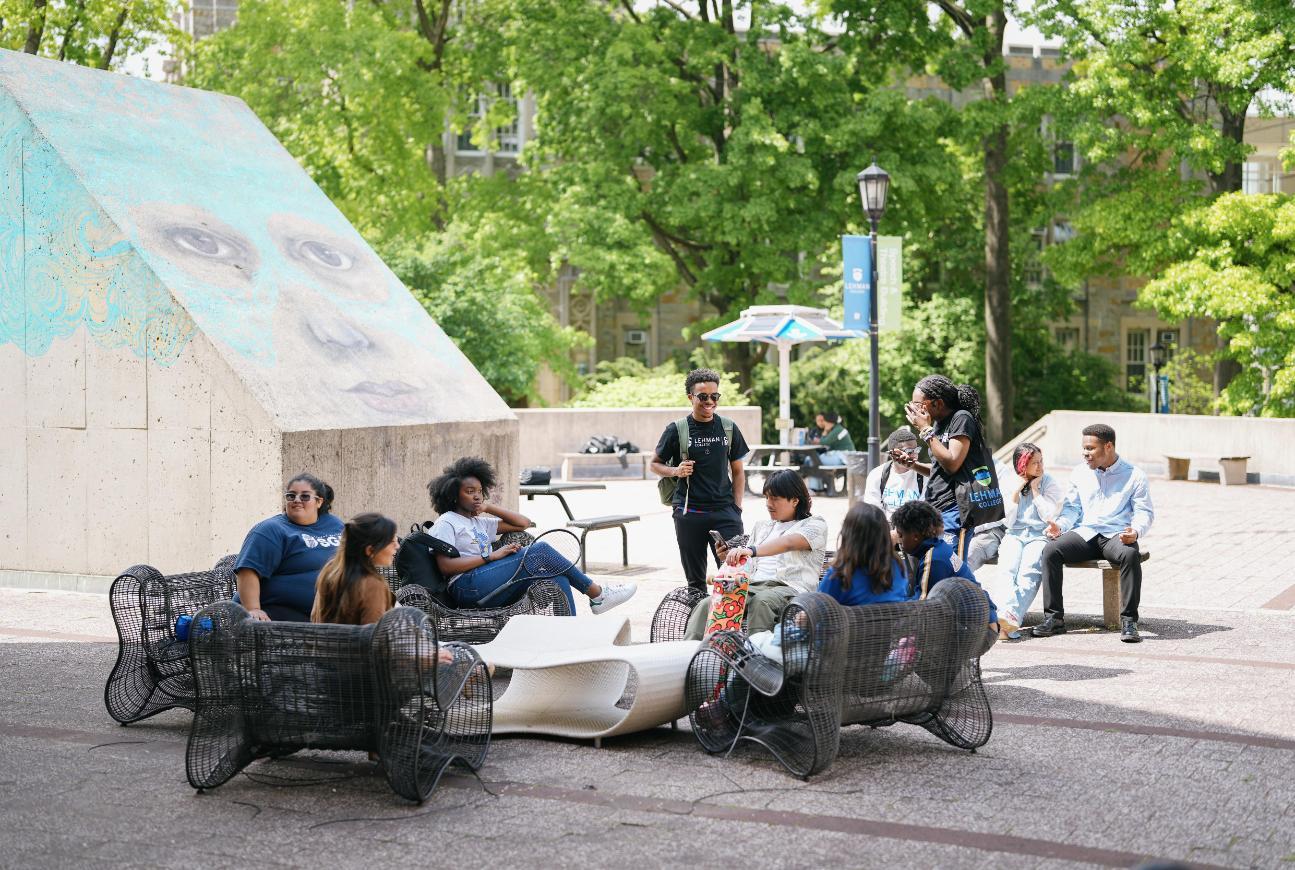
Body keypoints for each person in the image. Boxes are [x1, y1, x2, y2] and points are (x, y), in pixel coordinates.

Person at [427, 457, 636, 615]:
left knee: (557, 575)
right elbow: (445, 566)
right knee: (540, 550)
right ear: (453, 495)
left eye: (480, 491)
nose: (476, 495)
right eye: (469, 491)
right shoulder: (446, 522)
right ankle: (597, 594)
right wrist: (491, 557)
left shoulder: (479, 522)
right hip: (467, 587)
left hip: (490, 583)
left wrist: (489, 507)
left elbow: (523, 523)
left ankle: (572, 634)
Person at [1032, 424, 1154, 643]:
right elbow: (1072, 509)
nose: (1085, 453)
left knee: (1129, 555)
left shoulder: (1134, 475)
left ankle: (1128, 621)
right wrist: (1060, 526)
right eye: (1084, 448)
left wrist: (1135, 532)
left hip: (1115, 536)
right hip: (1086, 534)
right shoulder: (1080, 472)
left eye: (1090, 448)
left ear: (1108, 447)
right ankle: (1055, 619)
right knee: (1051, 550)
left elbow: (1144, 512)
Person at [683, 470, 828, 640]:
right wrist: (731, 558)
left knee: (762, 602)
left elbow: (789, 543)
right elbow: (749, 566)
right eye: (766, 497)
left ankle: (756, 660)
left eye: (775, 498)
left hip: (791, 587)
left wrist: (751, 550)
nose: (768, 503)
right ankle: (690, 654)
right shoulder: (762, 527)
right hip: (753, 585)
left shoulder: (815, 525)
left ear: (795, 500)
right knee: (709, 603)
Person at [650, 368, 750, 592]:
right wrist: (676, 471)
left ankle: (730, 627)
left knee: (734, 578)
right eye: (703, 396)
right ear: (690, 397)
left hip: (726, 513)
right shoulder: (677, 429)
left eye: (714, 396)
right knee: (695, 583)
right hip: (689, 513)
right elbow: (654, 463)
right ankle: (698, 625)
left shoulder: (728, 427)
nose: (709, 401)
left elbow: (738, 471)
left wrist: (737, 507)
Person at [904, 375, 1005, 564]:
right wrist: (912, 464)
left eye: (918, 403)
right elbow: (940, 469)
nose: (914, 409)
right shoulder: (938, 424)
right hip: (935, 507)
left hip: (955, 510)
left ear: (938, 403)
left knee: (951, 568)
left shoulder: (961, 418)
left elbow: (952, 463)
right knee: (930, 566)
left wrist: (925, 430)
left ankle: (972, 594)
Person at [234, 473, 344, 622]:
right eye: (291, 496)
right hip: (279, 616)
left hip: (328, 613)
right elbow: (247, 570)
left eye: (305, 496)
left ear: (319, 502)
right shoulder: (271, 530)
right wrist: (253, 609)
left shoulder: (335, 525)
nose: (297, 500)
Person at [891, 500, 999, 632]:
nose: (899, 541)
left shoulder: (933, 559)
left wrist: (890, 604)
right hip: (984, 618)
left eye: (901, 535)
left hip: (978, 629)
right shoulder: (938, 546)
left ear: (915, 536)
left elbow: (922, 604)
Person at [995, 443, 1065, 640]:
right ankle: (1007, 619)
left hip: (1039, 535)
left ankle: (1009, 619)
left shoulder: (1049, 482)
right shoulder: (1009, 481)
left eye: (1041, 461)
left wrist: (1035, 491)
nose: (1040, 466)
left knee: (1029, 574)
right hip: (1014, 534)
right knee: (1006, 571)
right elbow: (1006, 520)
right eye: (1035, 463)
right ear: (1022, 464)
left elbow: (1050, 517)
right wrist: (1016, 493)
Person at [818, 502, 910, 607]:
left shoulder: (840, 575)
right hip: (893, 623)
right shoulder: (898, 567)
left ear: (849, 536)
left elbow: (820, 612)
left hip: (851, 623)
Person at [863, 427, 927, 520]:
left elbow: (924, 511)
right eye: (909, 451)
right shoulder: (877, 474)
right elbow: (873, 511)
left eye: (916, 450)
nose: (914, 455)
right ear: (893, 453)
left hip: (914, 527)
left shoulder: (924, 474)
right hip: (885, 526)